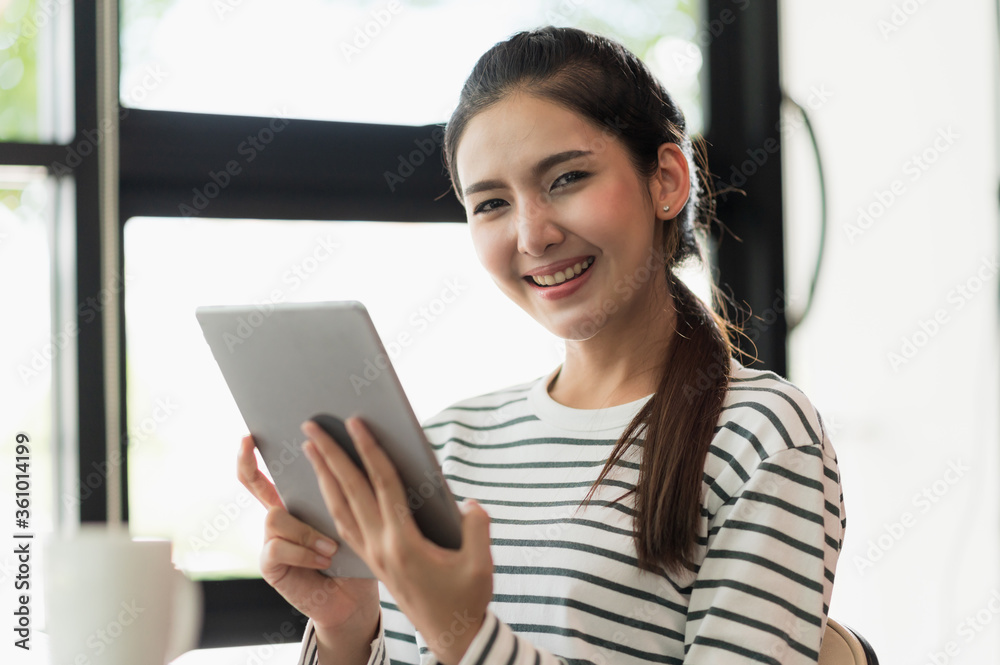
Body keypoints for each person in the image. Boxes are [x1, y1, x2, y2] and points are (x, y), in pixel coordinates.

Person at [237, 25, 845, 665]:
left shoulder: (761, 435)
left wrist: (465, 637)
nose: (532, 235)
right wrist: (347, 628)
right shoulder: (445, 445)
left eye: (567, 178)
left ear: (666, 180)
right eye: (492, 203)